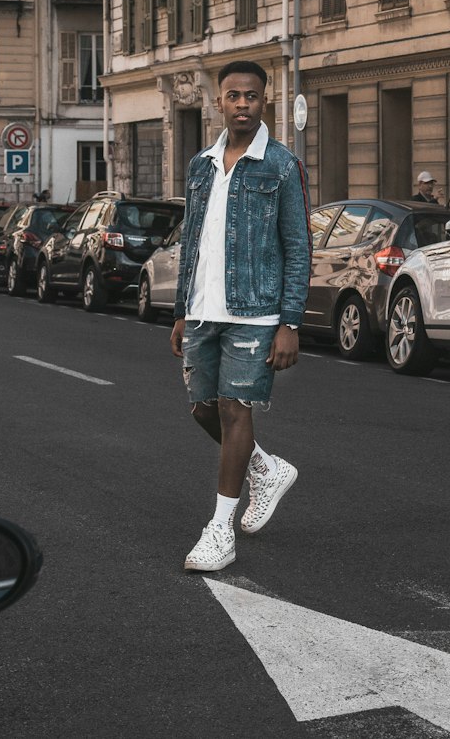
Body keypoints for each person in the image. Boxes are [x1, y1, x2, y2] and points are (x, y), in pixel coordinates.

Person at [171, 60, 311, 573]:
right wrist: (184, 310)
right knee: (202, 409)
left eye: (251, 96)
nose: (242, 105)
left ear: (264, 101)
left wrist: (290, 322)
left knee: (235, 411)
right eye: (233, 96)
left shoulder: (280, 165)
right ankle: (266, 469)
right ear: (220, 102)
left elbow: (298, 247)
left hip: (256, 312)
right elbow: (193, 242)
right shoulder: (201, 164)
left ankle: (219, 530)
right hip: (204, 309)